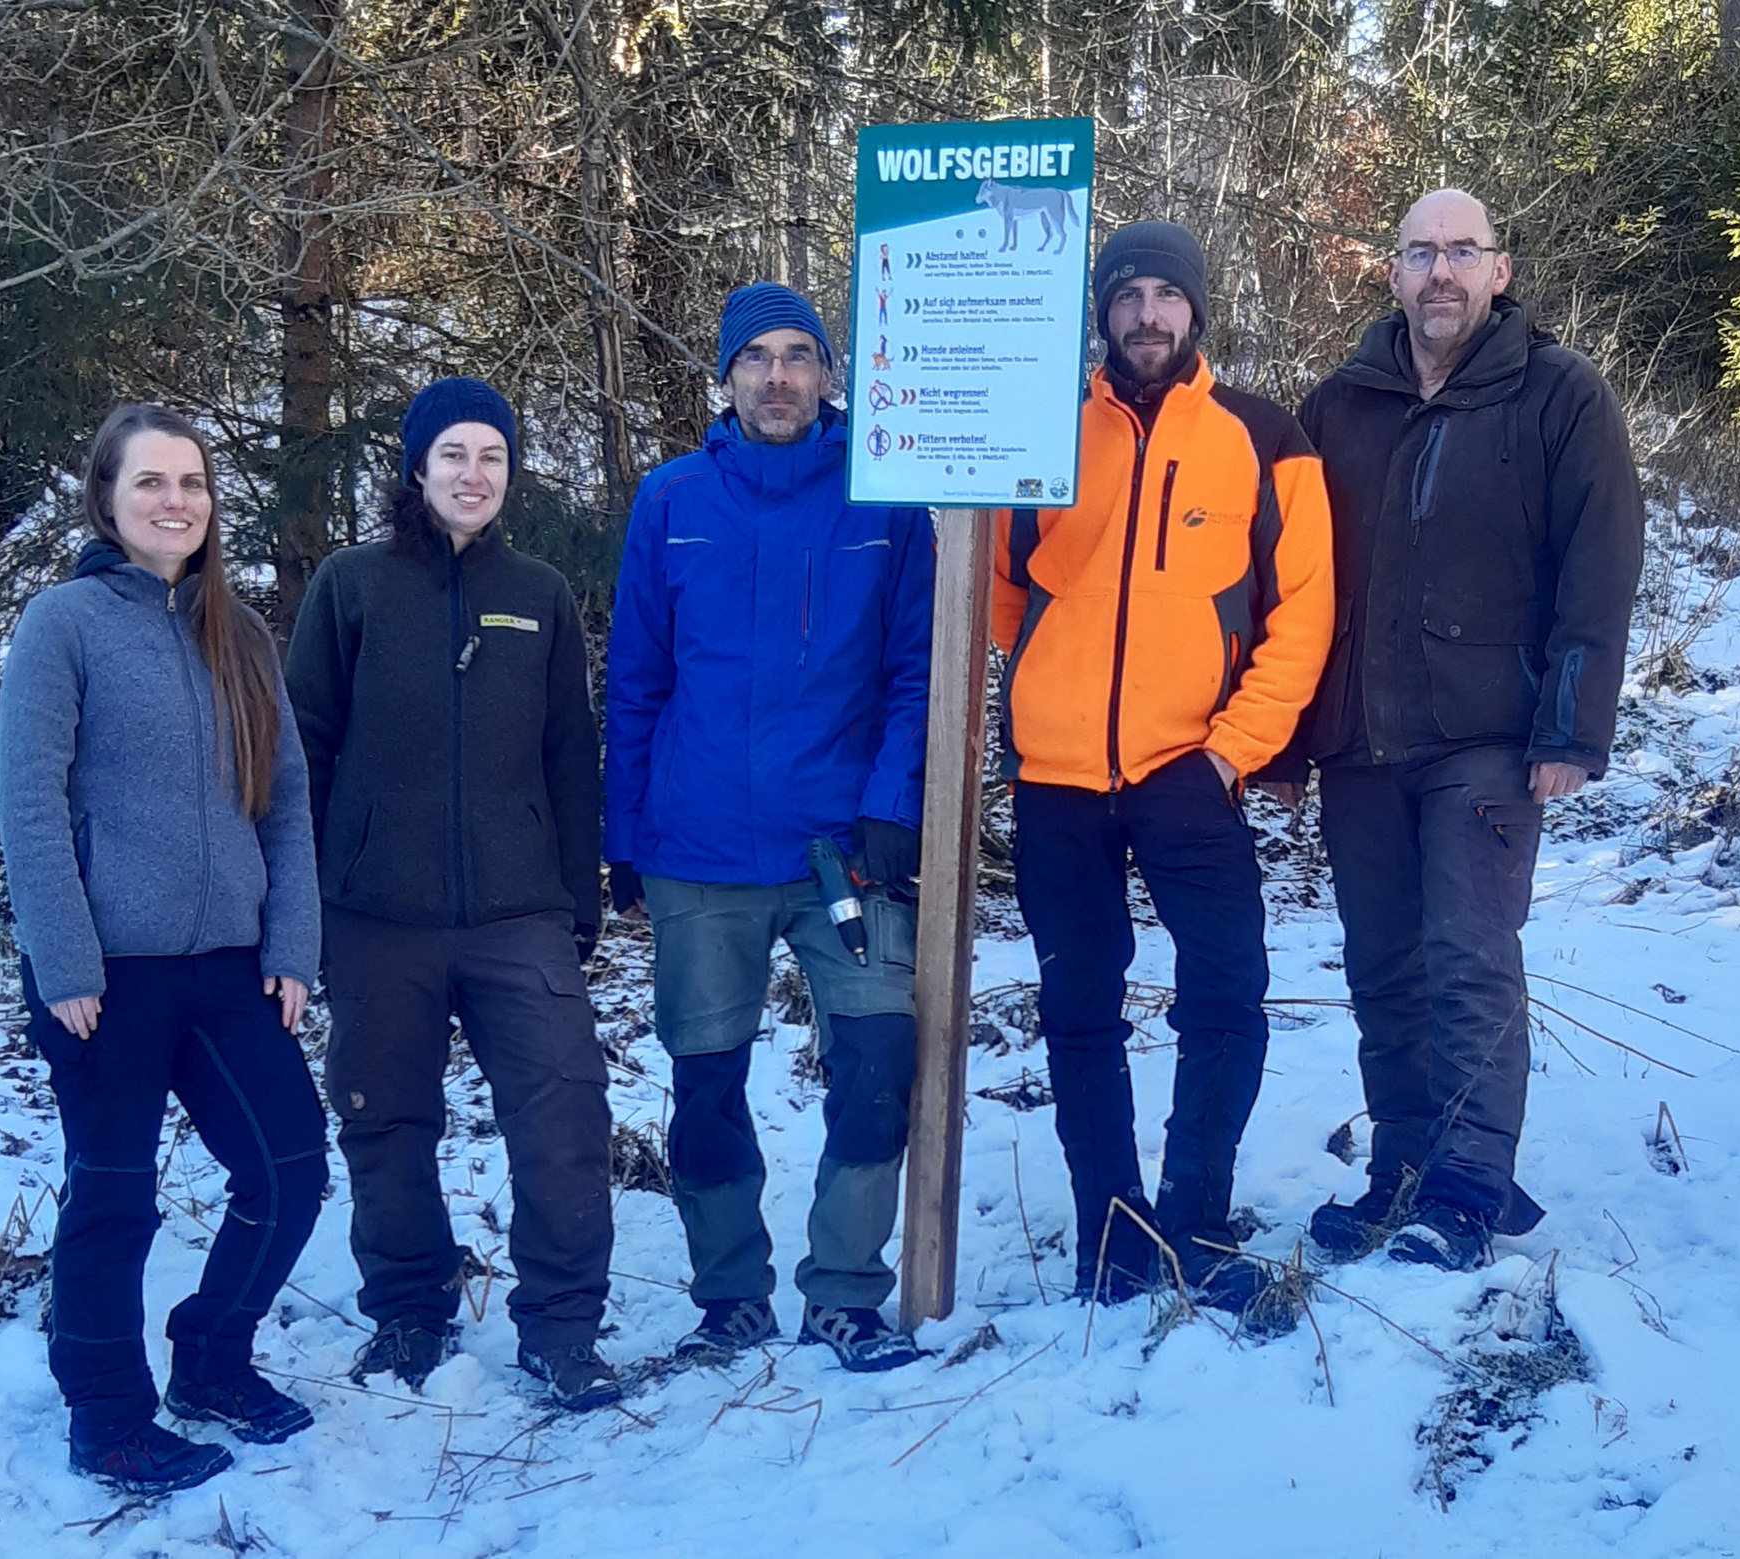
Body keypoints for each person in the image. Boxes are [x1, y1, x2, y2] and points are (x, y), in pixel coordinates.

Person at [1274, 189, 1644, 1271]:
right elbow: (1293, 581)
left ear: (1500, 270)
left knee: (1470, 957)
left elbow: (1600, 562)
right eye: (1419, 251)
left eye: (1461, 251)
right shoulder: (1339, 402)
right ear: (1390, 273)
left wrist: (1569, 725)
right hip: (1359, 735)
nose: (1439, 270)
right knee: (1381, 964)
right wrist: (1292, 737)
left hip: (1487, 734)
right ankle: (1399, 1167)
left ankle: (1469, 1184)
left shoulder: (1558, 394)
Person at [992, 222, 1335, 1315]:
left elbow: (1302, 618)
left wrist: (1228, 751)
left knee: (1226, 988)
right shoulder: (1037, 429)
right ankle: (1111, 1228)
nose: (1147, 313)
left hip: (1191, 770)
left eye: (1166, 295)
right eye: (1128, 293)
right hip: (1055, 779)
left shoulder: (1263, 437)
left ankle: (1192, 1211)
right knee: (1078, 1004)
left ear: (1197, 310)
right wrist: (1035, 689)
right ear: (1101, 309)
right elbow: (997, 590)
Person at [604, 282, 934, 1372]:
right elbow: (639, 679)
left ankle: (844, 1291)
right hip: (699, 848)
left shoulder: (887, 502)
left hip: (841, 848)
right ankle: (729, 1294)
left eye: (801, 354)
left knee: (881, 1059)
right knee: (705, 1084)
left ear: (830, 374)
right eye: (758, 357)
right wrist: (625, 829)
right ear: (727, 376)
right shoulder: (671, 499)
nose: (780, 375)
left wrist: (894, 803)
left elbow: (914, 672)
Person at [0, 405, 326, 1494]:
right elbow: (30, 803)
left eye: (191, 482)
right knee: (115, 1193)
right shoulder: (64, 622)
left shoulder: (241, 634)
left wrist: (292, 939)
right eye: (151, 482)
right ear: (107, 496)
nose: (175, 500)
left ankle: (213, 1355)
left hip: (231, 968)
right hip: (109, 975)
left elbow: (282, 800)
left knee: (287, 1166)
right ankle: (108, 1414)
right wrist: (65, 962)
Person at [285, 378, 616, 1410]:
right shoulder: (350, 585)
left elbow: (571, 751)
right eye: (454, 455)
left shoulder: (541, 591)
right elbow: (306, 750)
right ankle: (409, 1310)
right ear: (415, 467)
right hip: (376, 913)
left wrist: (578, 898)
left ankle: (563, 1329)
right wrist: (309, 910)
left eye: (493, 457)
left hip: (520, 914)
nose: (473, 475)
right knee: (385, 1119)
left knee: (563, 1114)